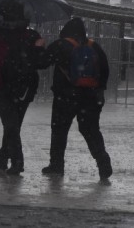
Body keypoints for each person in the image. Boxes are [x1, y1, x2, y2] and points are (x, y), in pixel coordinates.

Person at [37, 17, 113, 180]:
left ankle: (56, 166)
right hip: (91, 98)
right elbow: (105, 71)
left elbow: (41, 63)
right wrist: (98, 90)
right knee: (90, 130)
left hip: (65, 97)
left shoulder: (61, 45)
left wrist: (39, 48)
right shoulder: (94, 47)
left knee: (59, 131)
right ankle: (103, 162)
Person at [0, 0, 44, 175]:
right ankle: (4, 156)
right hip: (25, 86)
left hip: (1, 84)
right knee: (14, 124)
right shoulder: (32, 36)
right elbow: (41, 62)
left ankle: (15, 160)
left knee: (10, 124)